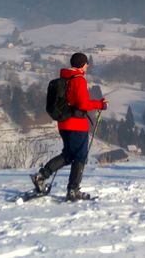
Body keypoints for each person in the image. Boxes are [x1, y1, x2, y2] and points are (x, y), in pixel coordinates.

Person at [31, 52, 107, 201]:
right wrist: (100, 104)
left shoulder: (65, 77)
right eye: (86, 63)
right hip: (77, 125)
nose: (87, 66)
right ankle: (73, 190)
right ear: (82, 64)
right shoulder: (79, 80)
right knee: (80, 156)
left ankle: (41, 176)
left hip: (63, 123)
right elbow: (83, 104)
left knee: (68, 155)